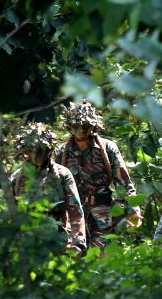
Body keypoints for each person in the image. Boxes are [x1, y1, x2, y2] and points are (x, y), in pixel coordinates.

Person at [54, 101, 143, 249]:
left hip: (102, 213)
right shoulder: (60, 152)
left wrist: (133, 211)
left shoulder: (107, 148)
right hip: (72, 216)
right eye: (77, 125)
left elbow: (124, 183)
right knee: (73, 257)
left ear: (93, 126)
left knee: (103, 258)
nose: (82, 130)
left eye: (86, 126)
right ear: (69, 127)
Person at [11, 122, 86, 253]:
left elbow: (75, 212)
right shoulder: (17, 178)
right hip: (28, 241)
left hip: (58, 239)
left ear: (48, 150)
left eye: (40, 150)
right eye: (31, 150)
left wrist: (77, 244)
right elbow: (12, 214)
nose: (36, 155)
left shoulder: (62, 174)